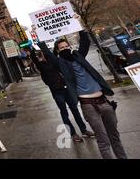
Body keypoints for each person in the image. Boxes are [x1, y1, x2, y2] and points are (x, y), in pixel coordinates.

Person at [37, 26, 128, 159]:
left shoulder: (79, 56)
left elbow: (85, 42)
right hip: (88, 105)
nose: (65, 49)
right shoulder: (60, 63)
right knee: (103, 140)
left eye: (66, 46)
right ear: (57, 51)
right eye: (61, 48)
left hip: (104, 101)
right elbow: (48, 54)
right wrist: (38, 37)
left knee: (115, 137)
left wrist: (80, 26)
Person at [29, 47, 95, 142]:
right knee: (64, 113)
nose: (41, 56)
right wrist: (32, 50)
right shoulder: (41, 66)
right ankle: (73, 134)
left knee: (75, 110)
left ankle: (84, 130)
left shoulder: (53, 62)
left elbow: (54, 53)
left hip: (66, 89)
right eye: (39, 55)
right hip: (57, 92)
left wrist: (44, 47)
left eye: (42, 54)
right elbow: (34, 59)